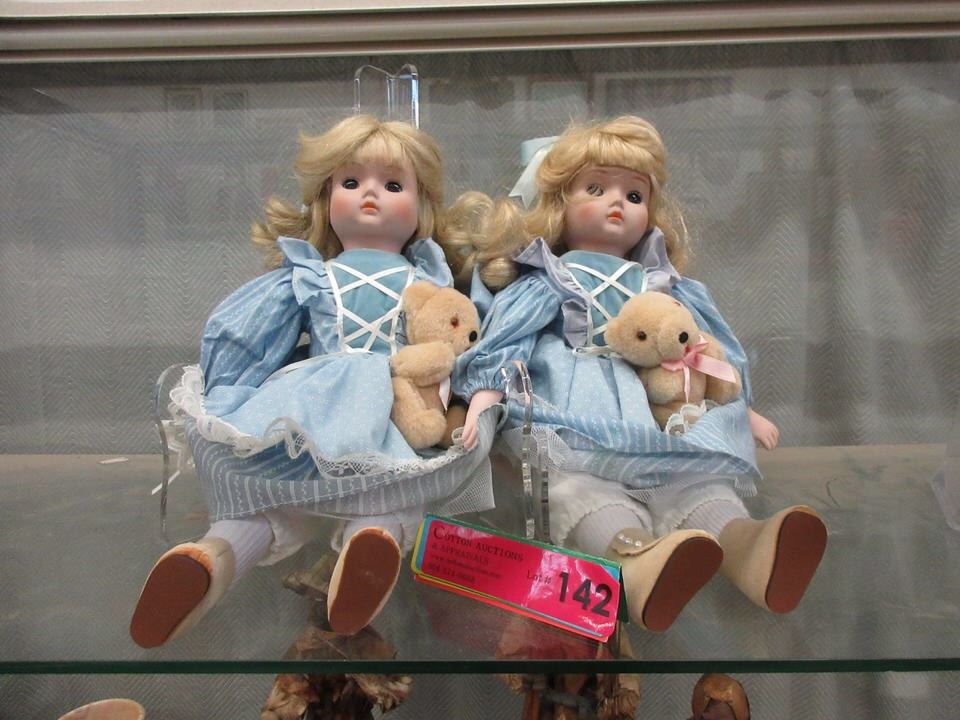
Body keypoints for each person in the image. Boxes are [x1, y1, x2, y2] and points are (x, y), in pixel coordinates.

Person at [130, 115, 498, 648]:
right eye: (351, 182)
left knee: (303, 495)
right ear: (325, 201)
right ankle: (270, 551)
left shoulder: (427, 279)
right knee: (391, 489)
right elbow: (253, 335)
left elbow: (457, 346)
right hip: (343, 405)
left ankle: (226, 553)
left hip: (370, 405)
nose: (370, 193)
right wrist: (230, 391)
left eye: (392, 185)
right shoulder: (311, 275)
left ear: (423, 207)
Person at [448, 116, 826, 631]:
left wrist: (741, 409)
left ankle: (746, 547)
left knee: (694, 481)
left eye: (633, 195)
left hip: (656, 410)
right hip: (575, 411)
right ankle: (637, 561)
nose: (616, 204)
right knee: (579, 486)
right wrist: (484, 396)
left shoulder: (665, 284)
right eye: (596, 189)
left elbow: (703, 346)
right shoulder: (550, 279)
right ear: (559, 203)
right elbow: (508, 338)